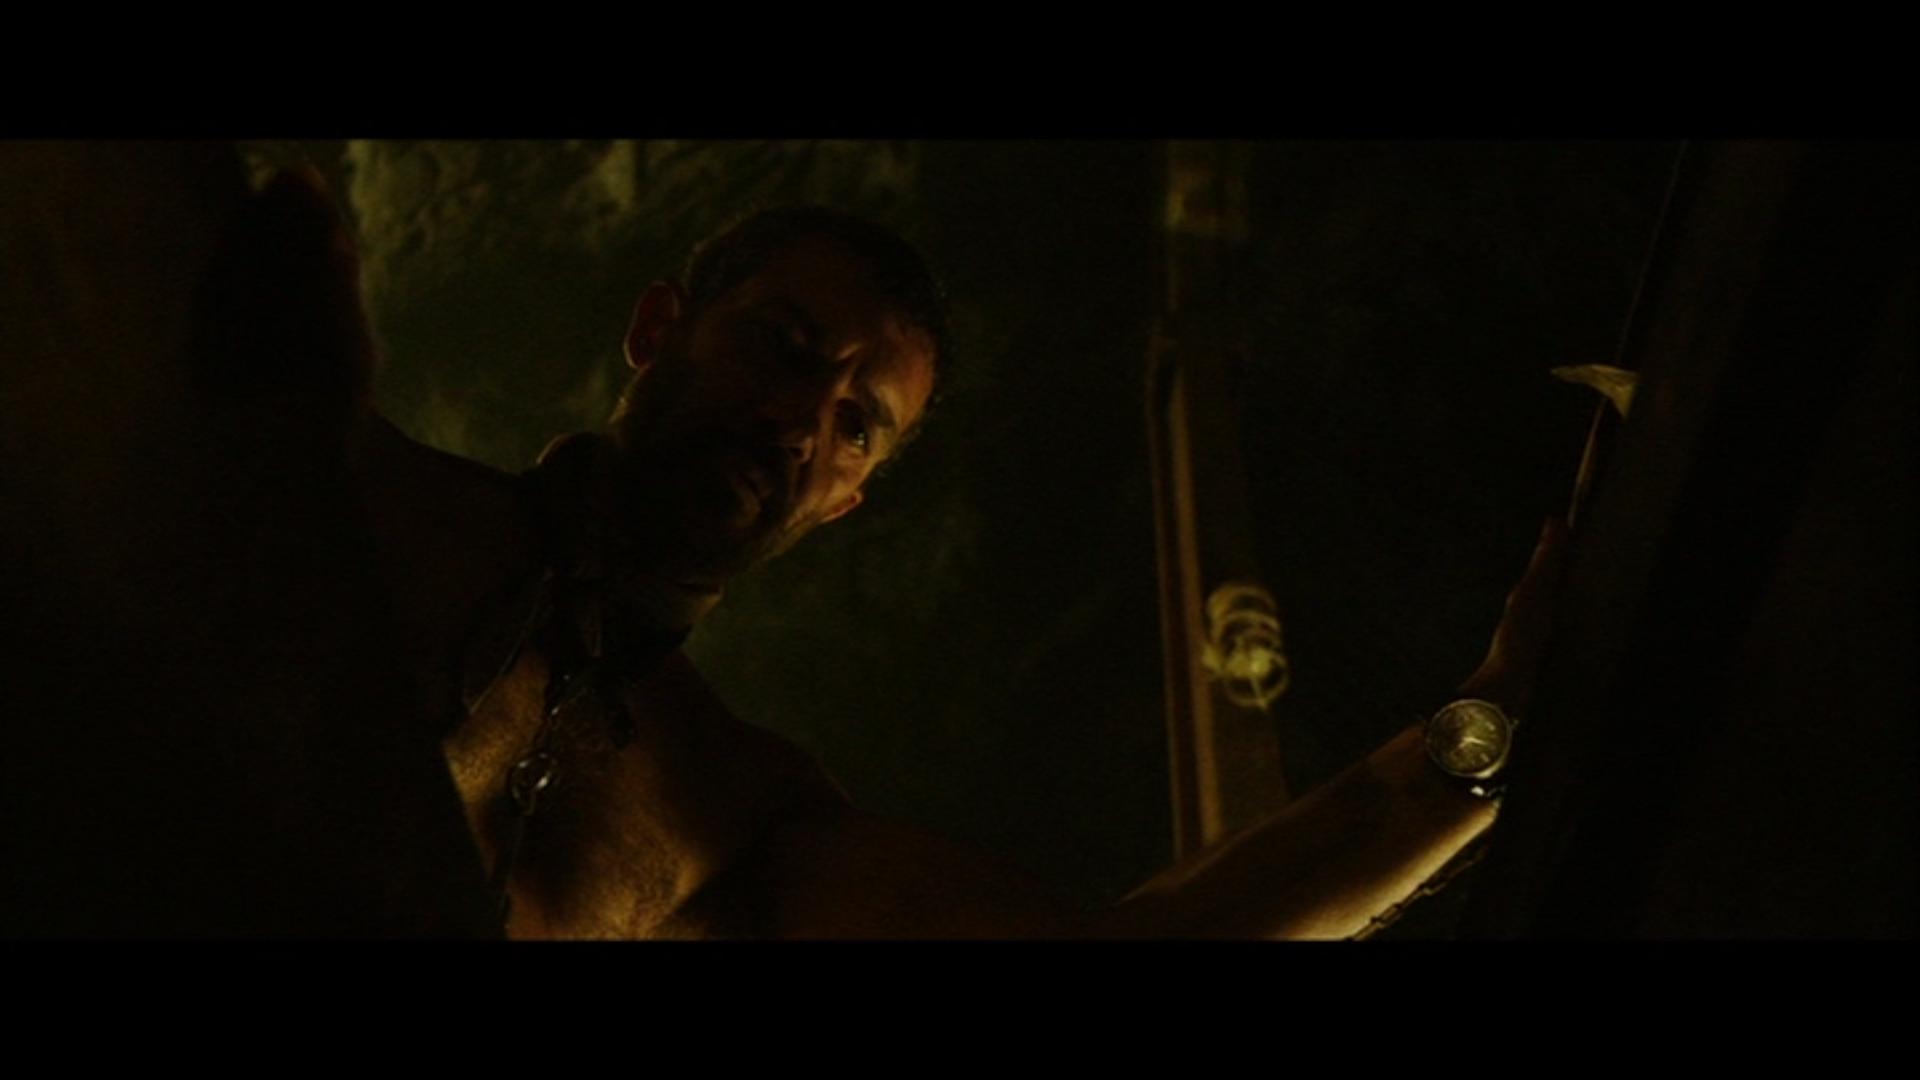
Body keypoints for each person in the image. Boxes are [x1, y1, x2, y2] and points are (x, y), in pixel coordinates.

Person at [1, 145, 1561, 937]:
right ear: (659, 328)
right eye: (783, 345)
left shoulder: (732, 822)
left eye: (855, 421)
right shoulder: (354, 488)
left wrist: (1483, 740)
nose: (801, 419)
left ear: (844, 499)